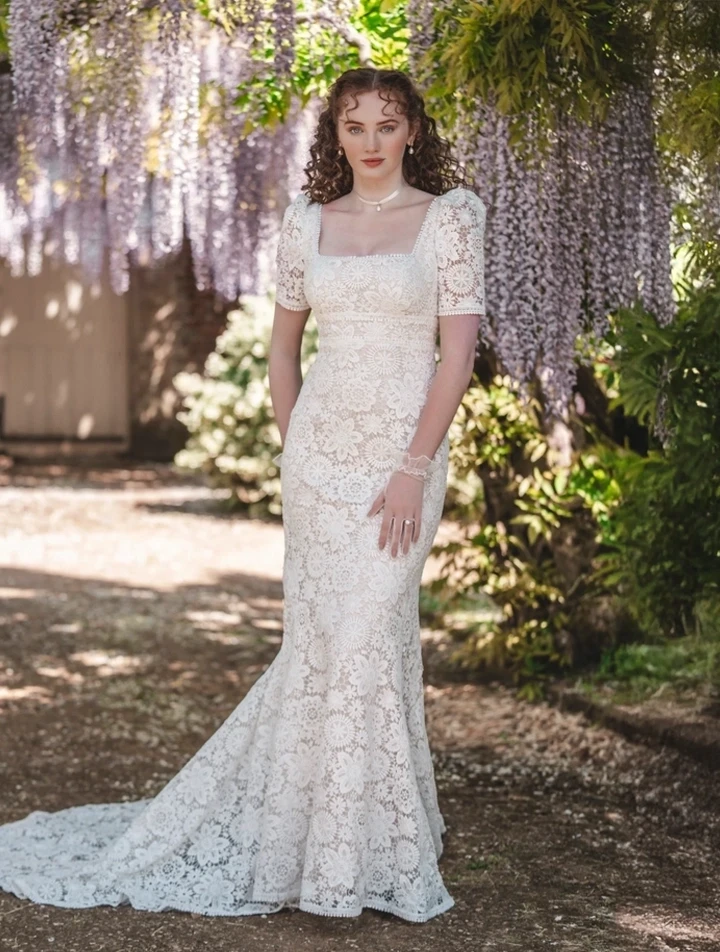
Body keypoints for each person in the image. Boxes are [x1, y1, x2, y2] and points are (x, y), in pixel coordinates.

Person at [0, 66, 485, 925]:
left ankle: (363, 853)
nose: (370, 141)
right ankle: (316, 849)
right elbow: (284, 350)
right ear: (335, 135)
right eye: (353, 125)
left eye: (387, 123)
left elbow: (456, 357)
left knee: (370, 632)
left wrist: (413, 465)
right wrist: (294, 446)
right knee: (325, 643)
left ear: (413, 130)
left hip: (402, 461)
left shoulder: (450, 219)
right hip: (320, 461)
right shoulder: (307, 224)